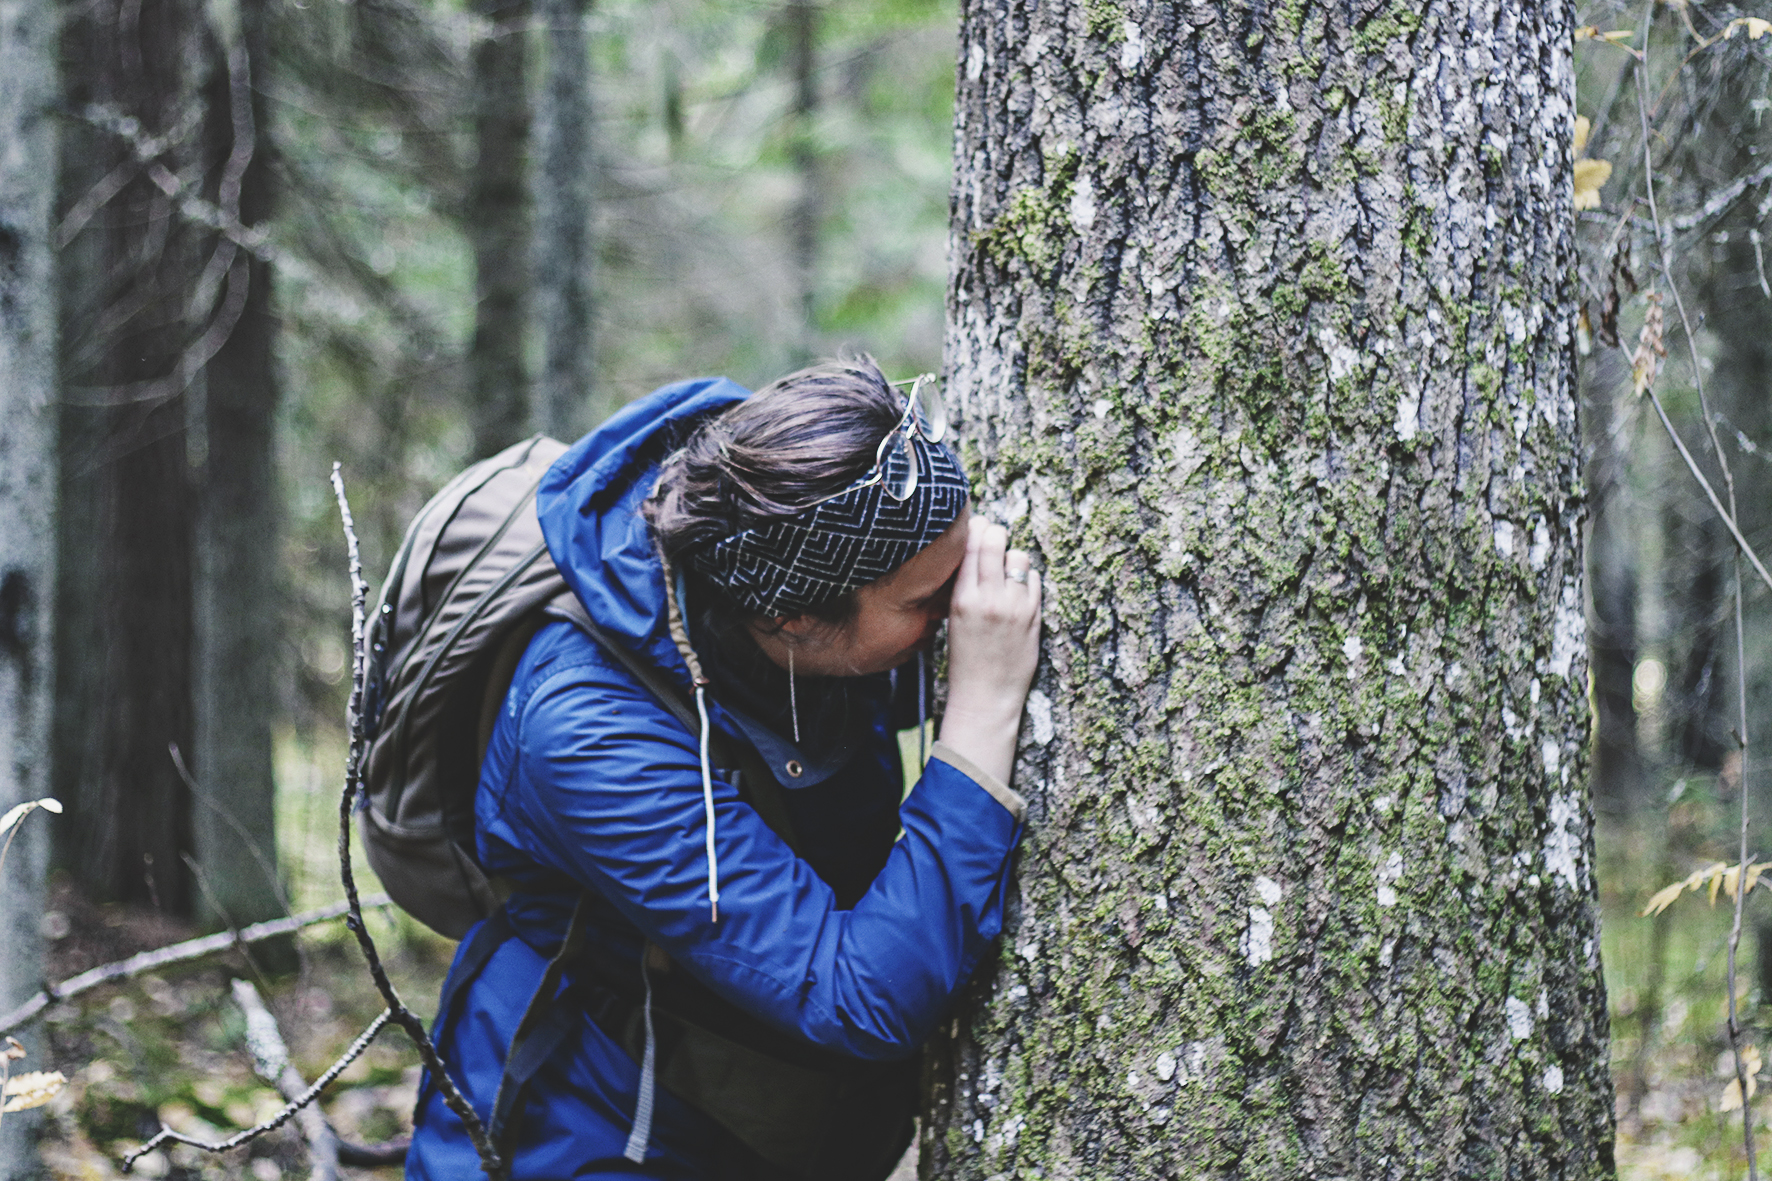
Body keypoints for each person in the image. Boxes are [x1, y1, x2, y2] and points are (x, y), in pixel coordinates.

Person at [406, 358, 1041, 1180]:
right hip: (585, 1139)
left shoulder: (788, 523)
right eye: (928, 603)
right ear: (794, 618)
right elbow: (854, 995)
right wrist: (984, 705)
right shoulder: (590, 737)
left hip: (751, 1115)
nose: (961, 613)